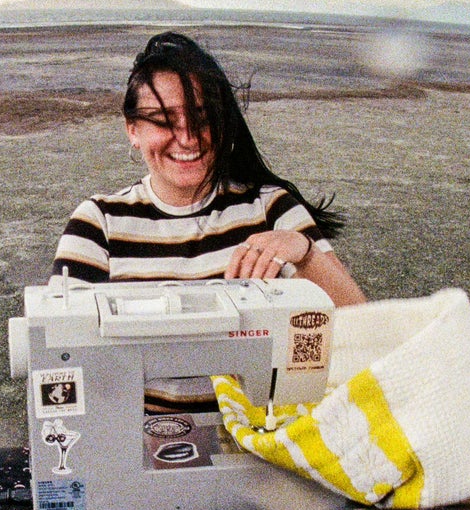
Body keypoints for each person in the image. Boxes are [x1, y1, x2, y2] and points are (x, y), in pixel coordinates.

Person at [52, 32, 366, 305]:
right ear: (133, 129)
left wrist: (306, 253)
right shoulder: (98, 225)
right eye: (163, 120)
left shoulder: (272, 209)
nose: (187, 139)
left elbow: (357, 316)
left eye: (203, 119)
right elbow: (62, 345)